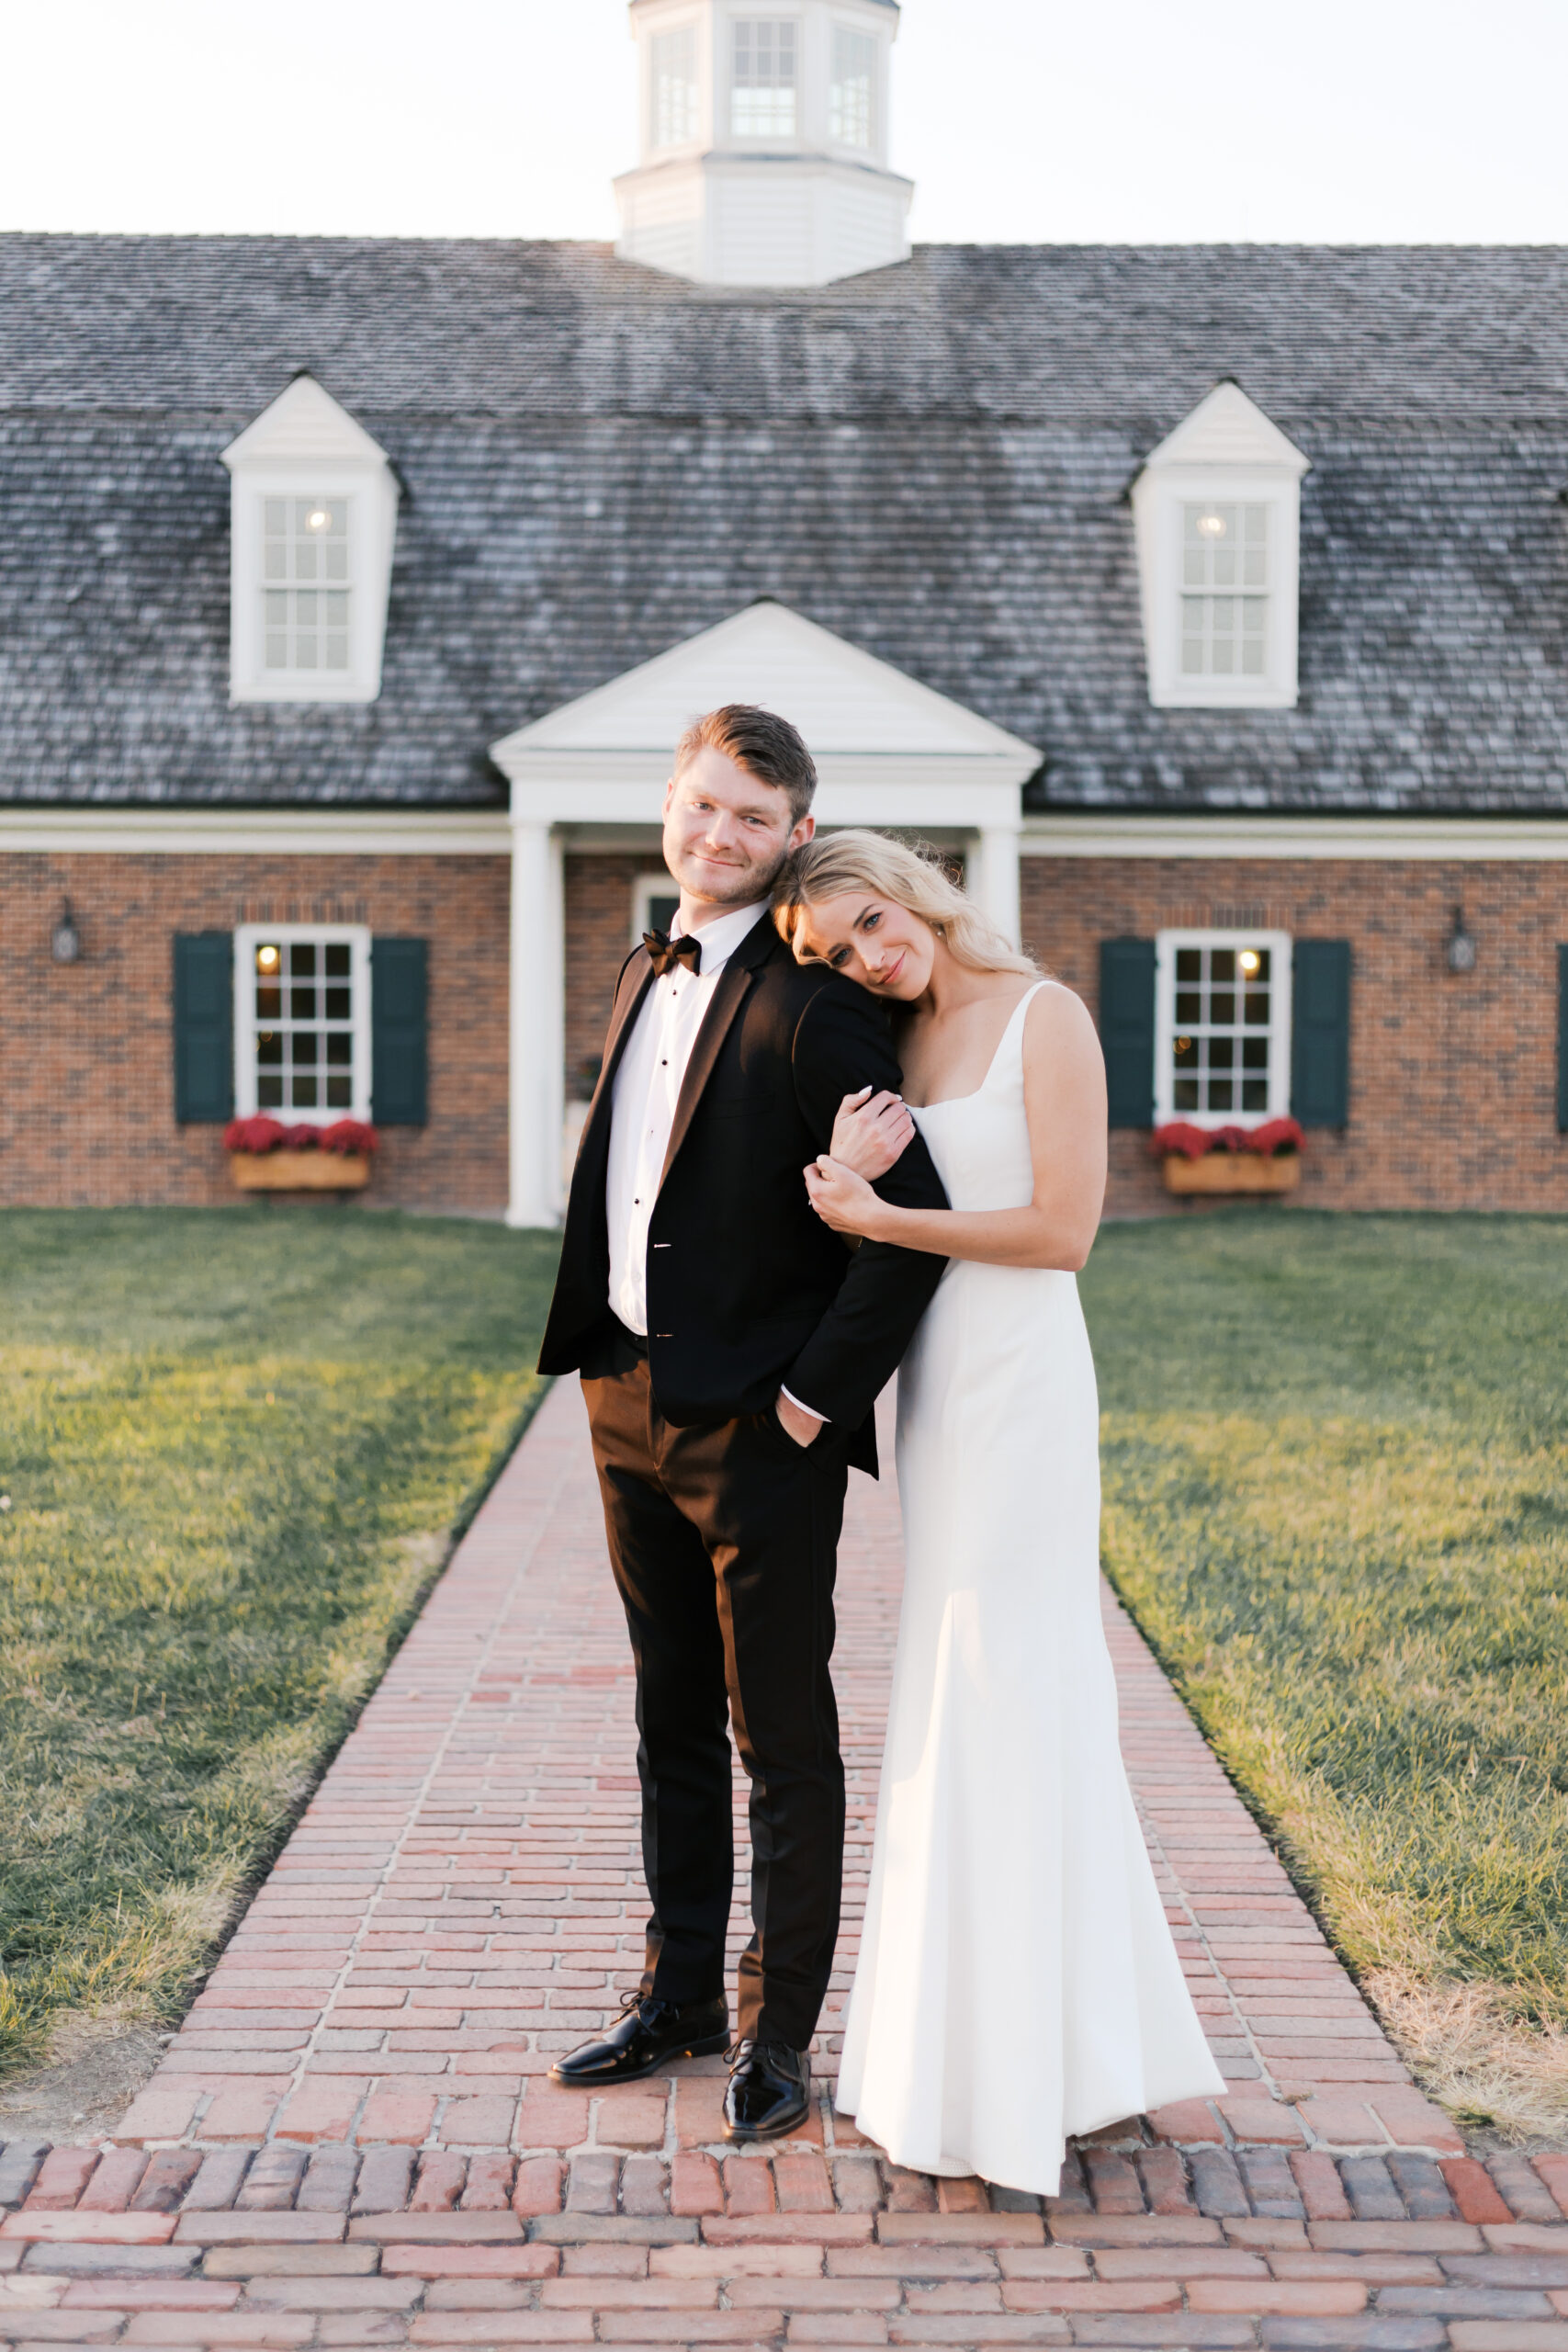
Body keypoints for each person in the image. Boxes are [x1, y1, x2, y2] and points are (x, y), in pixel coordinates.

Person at [773, 830, 1224, 2197]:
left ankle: (1050, 2060)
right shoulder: (896, 1053)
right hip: (940, 1387)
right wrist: (849, 1184)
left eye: (863, 924)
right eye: (838, 956)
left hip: (1025, 1379)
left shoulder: (1049, 1014)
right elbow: (883, 1203)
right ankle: (975, 2048)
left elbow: (1063, 1230)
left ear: (907, 884)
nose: (866, 958)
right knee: (956, 1677)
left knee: (1020, 1676)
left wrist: (878, 1218)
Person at [537, 710, 950, 2143]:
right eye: (704, 805)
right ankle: (678, 2000)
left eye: (752, 820)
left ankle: (778, 2037)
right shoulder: (644, 966)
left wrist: (810, 1402)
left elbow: (914, 1227)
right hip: (623, 1402)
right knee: (666, 1713)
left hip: (762, 1432)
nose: (719, 836)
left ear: (792, 838)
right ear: (672, 801)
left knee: (779, 1734)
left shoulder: (818, 996)